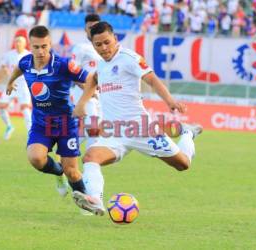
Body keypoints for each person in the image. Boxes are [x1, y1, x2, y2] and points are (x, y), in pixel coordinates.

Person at [72, 22, 203, 215]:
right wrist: (82, 103)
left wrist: (170, 101)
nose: (103, 48)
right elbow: (94, 79)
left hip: (141, 129)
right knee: (90, 157)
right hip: (114, 132)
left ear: (115, 38)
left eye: (107, 42)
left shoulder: (129, 58)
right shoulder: (101, 64)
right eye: (98, 45)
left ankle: (187, 134)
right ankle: (95, 201)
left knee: (182, 164)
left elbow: (152, 79)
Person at [6, 25, 104, 215]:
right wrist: (10, 81)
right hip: (41, 124)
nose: (40, 51)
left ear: (50, 44)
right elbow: (18, 68)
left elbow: (91, 79)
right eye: (36, 47)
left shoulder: (64, 64)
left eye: (44, 46)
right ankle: (58, 173)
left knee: (73, 171)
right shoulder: (26, 62)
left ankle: (87, 203)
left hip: (66, 123)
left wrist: (83, 102)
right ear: (30, 46)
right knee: (35, 159)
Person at [71, 13, 102, 150]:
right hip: (83, 93)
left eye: (95, 26)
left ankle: (66, 151)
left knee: (93, 131)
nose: (92, 29)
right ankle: (91, 166)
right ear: (85, 29)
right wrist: (88, 90)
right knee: (93, 129)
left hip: (101, 94)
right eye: (90, 27)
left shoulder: (103, 48)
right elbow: (72, 72)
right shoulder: (80, 48)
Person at [0, 36, 32, 140]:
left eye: (20, 42)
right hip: (11, 83)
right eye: (16, 41)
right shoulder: (9, 55)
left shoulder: (29, 55)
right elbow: (3, 66)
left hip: (24, 85)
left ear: (25, 44)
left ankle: (30, 133)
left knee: (25, 109)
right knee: (1, 106)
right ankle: (9, 126)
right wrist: (6, 71)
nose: (18, 43)